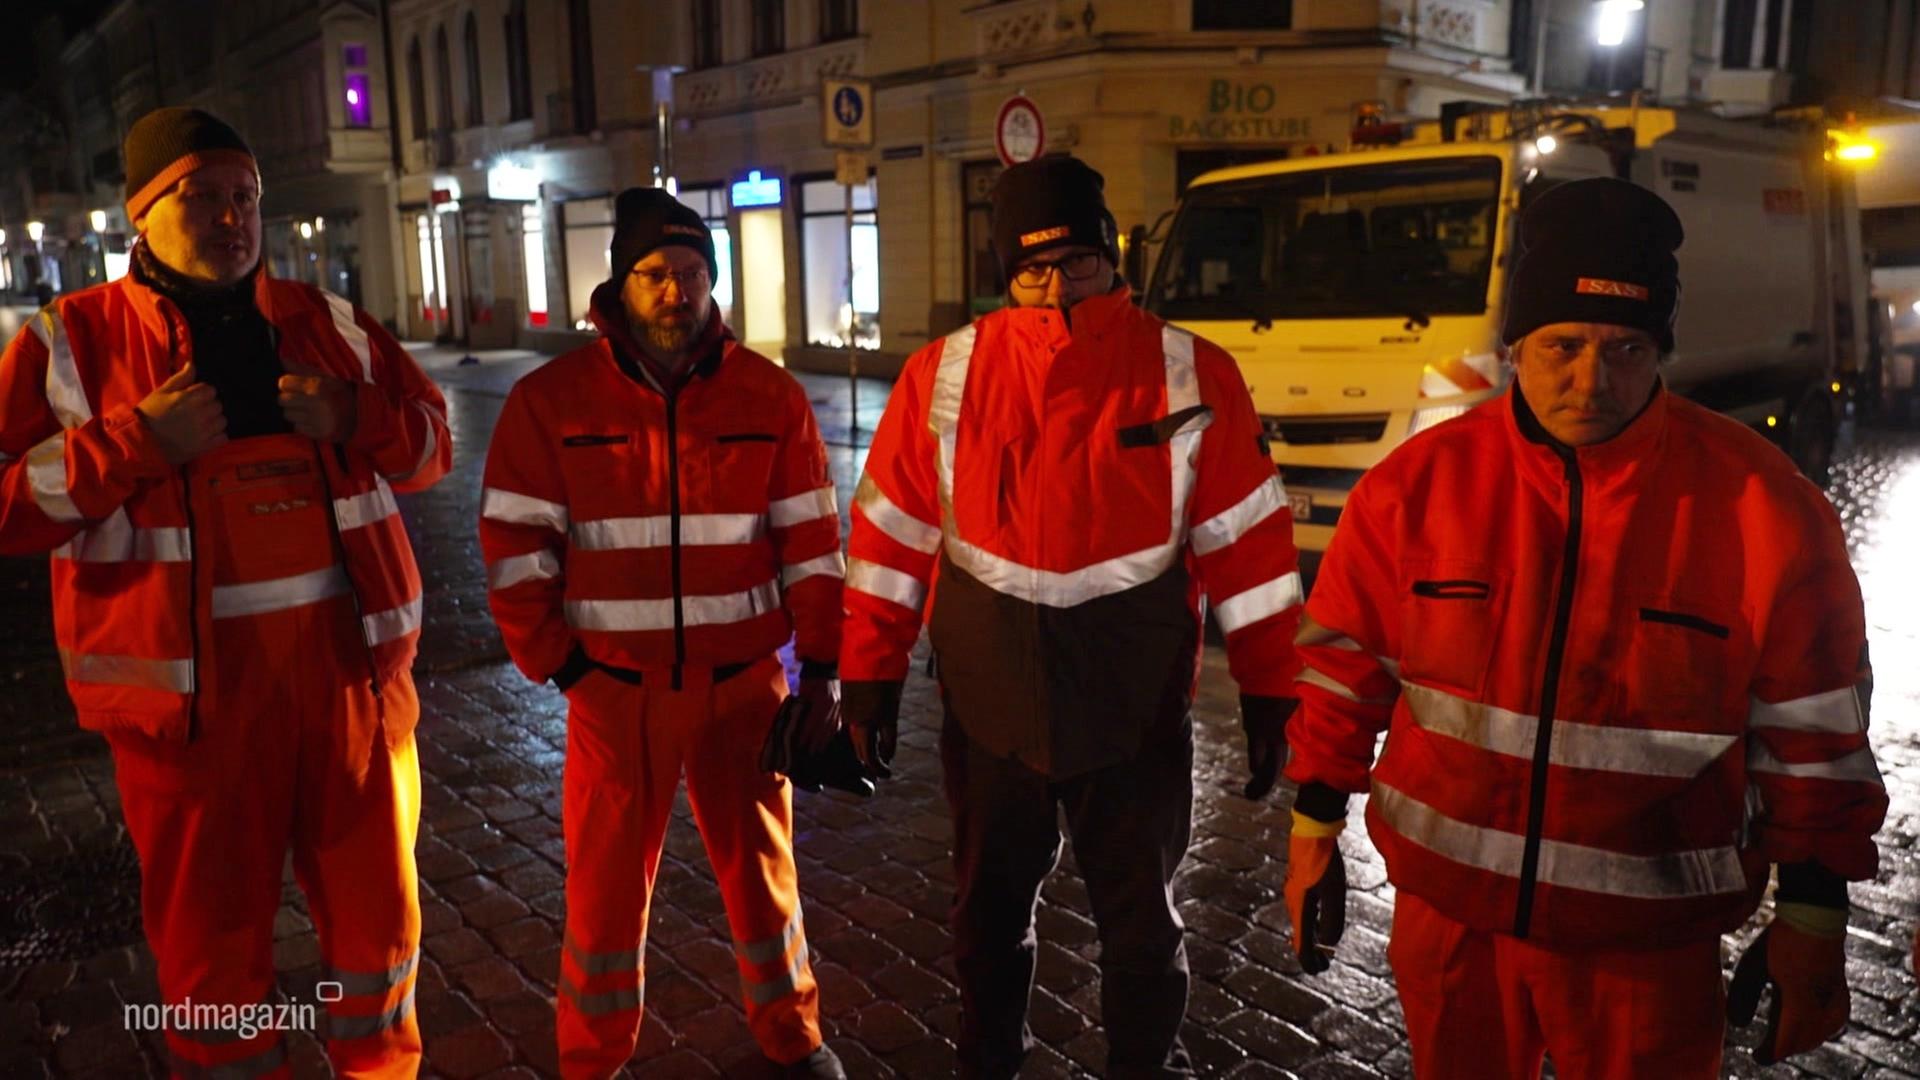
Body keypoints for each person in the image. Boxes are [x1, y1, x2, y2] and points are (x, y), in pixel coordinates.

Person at [1281, 177, 1888, 1077]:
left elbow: (1815, 728)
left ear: (1662, 351)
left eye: (1627, 349)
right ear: (1516, 344)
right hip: (1453, 931)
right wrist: (1312, 823)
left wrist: (1812, 911)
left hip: (1648, 954)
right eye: (1561, 345)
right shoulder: (1416, 489)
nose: (1590, 381)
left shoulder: (1764, 508)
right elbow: (1345, 672)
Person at [0, 107, 449, 1076]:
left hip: (355, 695)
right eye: (199, 197)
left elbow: (431, 445)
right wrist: (134, 445)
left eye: (243, 197)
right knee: (213, 956)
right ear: (143, 214)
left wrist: (358, 416)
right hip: (190, 719)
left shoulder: (326, 324)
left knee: (380, 936)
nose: (229, 217)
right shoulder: (69, 342)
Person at [840, 156, 1304, 1078]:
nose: (1057, 288)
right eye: (1033, 269)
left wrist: (1273, 692)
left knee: (1140, 926)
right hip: (990, 702)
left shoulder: (1189, 371)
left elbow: (1248, 545)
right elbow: (890, 533)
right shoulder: (944, 372)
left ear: (1112, 254)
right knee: (987, 918)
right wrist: (868, 675)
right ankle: (989, 1062)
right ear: (1006, 270)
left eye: (1078, 263)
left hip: (1130, 709)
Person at [478, 188, 847, 1079]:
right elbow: (515, 545)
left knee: (766, 885)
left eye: (691, 273)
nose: (676, 292)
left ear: (713, 280)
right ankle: (592, 1058)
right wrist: (563, 669)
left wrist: (825, 671)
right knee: (602, 899)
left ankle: (794, 1040)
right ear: (620, 283)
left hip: (743, 691)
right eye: (655, 275)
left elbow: (812, 548)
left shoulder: (772, 395)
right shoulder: (549, 401)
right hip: (613, 695)